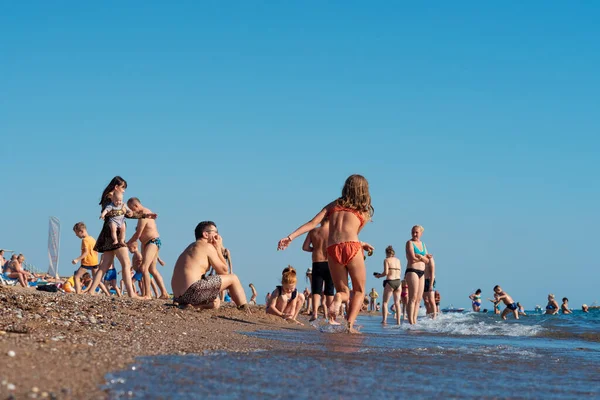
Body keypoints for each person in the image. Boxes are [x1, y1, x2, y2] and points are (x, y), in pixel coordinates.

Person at [278, 174, 374, 333]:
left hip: (332, 249)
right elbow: (352, 235)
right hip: (352, 247)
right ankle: (349, 326)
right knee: (358, 291)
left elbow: (312, 223)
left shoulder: (333, 205)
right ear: (364, 191)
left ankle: (338, 298)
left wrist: (290, 237)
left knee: (342, 292)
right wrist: (361, 245)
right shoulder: (363, 211)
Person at [88, 176, 154, 297]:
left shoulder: (109, 198)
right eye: (123, 188)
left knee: (104, 265)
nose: (124, 191)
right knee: (126, 262)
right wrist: (142, 215)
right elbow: (120, 212)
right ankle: (131, 294)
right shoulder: (111, 198)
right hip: (115, 235)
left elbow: (124, 213)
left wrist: (144, 216)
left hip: (108, 233)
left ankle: (91, 291)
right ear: (116, 187)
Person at [171, 221, 249, 310]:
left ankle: (194, 306)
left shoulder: (190, 247)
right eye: (215, 232)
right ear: (205, 234)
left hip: (178, 297)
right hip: (193, 291)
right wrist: (218, 248)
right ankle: (244, 309)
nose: (218, 236)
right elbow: (224, 271)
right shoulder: (207, 246)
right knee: (233, 278)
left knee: (216, 302)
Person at [126, 197, 169, 299]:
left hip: (152, 242)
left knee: (144, 267)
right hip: (148, 243)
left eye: (132, 209)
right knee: (152, 269)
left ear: (136, 206)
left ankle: (148, 294)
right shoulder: (144, 213)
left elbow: (138, 234)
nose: (132, 211)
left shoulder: (144, 215)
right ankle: (164, 293)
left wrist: (128, 243)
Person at [302, 217, 334, 322]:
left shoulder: (313, 231)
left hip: (317, 262)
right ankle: (331, 315)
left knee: (316, 290)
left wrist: (315, 249)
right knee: (329, 291)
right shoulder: (333, 232)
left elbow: (305, 247)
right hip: (330, 262)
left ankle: (314, 313)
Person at [404, 225, 434, 324]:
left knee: (419, 298)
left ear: (421, 233)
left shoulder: (423, 244)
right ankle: (410, 321)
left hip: (422, 272)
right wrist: (422, 257)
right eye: (413, 232)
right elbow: (412, 258)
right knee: (412, 297)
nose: (414, 234)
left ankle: (414, 320)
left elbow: (427, 260)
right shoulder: (409, 243)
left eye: (416, 232)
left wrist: (421, 257)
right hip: (412, 270)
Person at [71, 222, 110, 295]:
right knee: (96, 279)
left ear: (81, 231)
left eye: (76, 233)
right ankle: (107, 293)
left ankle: (78, 293)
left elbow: (86, 252)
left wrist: (77, 259)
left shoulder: (85, 240)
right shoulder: (92, 239)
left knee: (76, 277)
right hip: (94, 261)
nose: (76, 235)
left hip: (87, 262)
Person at [374, 245, 402, 325]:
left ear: (387, 253)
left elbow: (386, 273)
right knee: (397, 303)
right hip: (398, 282)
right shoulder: (398, 260)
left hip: (390, 281)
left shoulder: (386, 260)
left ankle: (384, 320)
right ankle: (398, 322)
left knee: (385, 302)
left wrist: (379, 276)